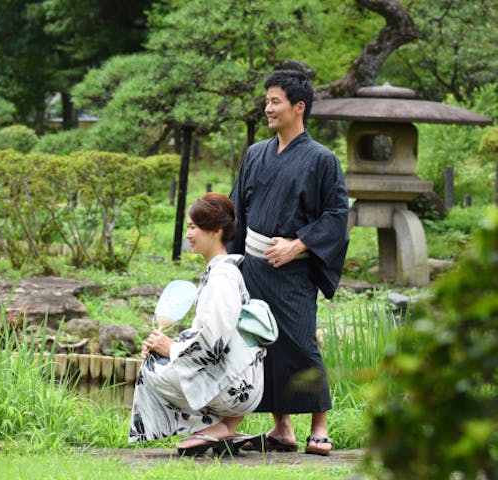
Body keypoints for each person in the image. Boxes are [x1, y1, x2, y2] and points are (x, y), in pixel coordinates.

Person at [227, 69, 349, 456]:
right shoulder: (256, 153)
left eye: (275, 101)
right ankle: (282, 428)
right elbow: (237, 212)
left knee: (299, 342)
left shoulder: (322, 160)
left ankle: (319, 424)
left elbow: (335, 215)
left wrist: (298, 246)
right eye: (266, 101)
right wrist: (229, 261)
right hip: (254, 264)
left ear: (299, 107)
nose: (267, 108)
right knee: (259, 343)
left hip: (292, 268)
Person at [128, 192, 265, 457]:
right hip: (239, 381)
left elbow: (212, 344)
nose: (188, 235)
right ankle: (222, 426)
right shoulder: (222, 272)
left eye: (193, 227)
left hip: (237, 388)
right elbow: (210, 335)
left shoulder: (222, 278)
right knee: (159, 359)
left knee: (153, 370)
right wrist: (164, 345)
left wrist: (170, 349)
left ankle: (218, 427)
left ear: (215, 230)